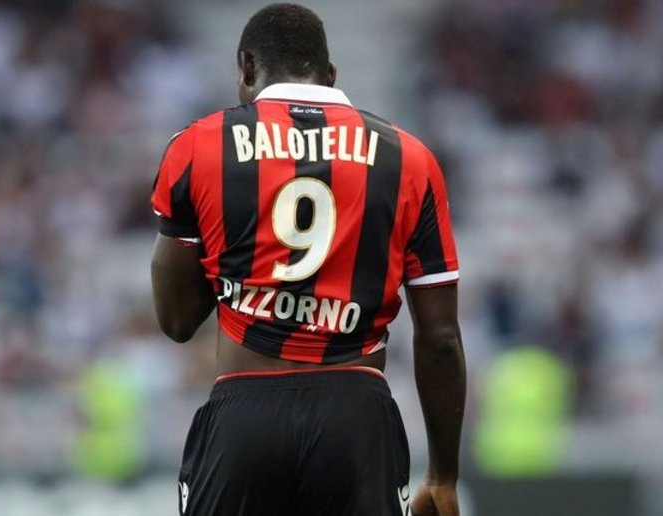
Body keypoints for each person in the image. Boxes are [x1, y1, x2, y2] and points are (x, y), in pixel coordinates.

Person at [149, 4, 465, 515]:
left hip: (244, 418)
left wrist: (237, 242)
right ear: (330, 74)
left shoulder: (198, 146)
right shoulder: (410, 159)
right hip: (356, 419)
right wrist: (444, 475)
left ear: (247, 67)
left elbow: (177, 320)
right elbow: (441, 339)